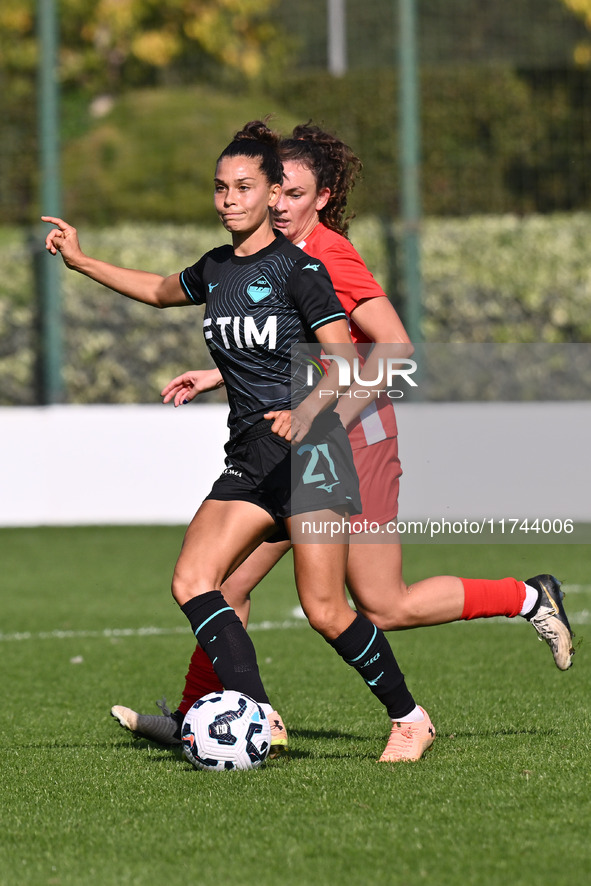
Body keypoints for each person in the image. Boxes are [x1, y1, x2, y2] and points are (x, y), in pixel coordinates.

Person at [108, 123, 574, 755]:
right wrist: (224, 374)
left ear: (318, 198)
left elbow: (392, 348)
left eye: (290, 194)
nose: (275, 205)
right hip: (292, 441)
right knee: (229, 586)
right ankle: (206, 716)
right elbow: (279, 343)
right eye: (274, 193)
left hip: (356, 440)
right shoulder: (265, 257)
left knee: (380, 604)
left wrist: (321, 412)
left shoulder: (327, 256)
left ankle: (525, 597)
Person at [43, 120, 436, 764]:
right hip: (252, 457)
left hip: (315, 455)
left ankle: (409, 717)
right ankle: (252, 713)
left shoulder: (302, 270)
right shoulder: (216, 268)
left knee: (327, 610)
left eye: (244, 187)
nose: (229, 199)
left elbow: (346, 361)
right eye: (220, 187)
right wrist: (82, 260)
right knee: (194, 581)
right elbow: (157, 290)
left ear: (272, 191)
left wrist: (308, 412)